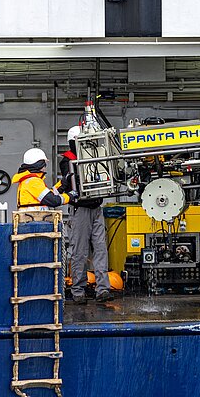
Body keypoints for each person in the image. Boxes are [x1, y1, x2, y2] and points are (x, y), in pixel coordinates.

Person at [59, 125, 110, 305]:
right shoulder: (68, 160)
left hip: (96, 207)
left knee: (100, 249)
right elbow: (72, 180)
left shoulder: (95, 156)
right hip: (80, 209)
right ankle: (78, 290)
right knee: (79, 251)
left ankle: (103, 289)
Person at [12, 148, 77, 209]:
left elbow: (49, 194)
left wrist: (62, 184)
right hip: (35, 219)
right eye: (44, 164)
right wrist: (71, 195)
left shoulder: (30, 180)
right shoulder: (33, 182)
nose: (45, 168)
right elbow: (53, 200)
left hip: (32, 218)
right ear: (39, 165)